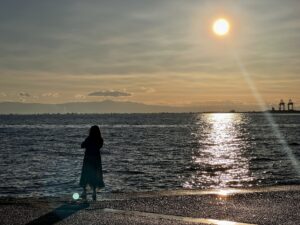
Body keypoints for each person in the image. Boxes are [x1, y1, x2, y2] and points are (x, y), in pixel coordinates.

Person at [80, 125, 105, 200]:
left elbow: (82, 145)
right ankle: (94, 192)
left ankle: (84, 192)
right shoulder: (100, 139)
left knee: (86, 174)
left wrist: (87, 144)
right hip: (96, 158)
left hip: (88, 158)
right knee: (94, 174)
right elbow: (99, 146)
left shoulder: (89, 138)